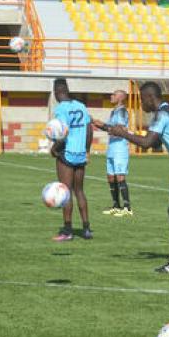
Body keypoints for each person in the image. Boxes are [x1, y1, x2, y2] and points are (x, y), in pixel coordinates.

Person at [109, 82, 169, 273]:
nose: (141, 104)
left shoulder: (161, 114)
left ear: (149, 97)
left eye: (142, 99)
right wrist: (116, 130)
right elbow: (154, 142)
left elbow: (147, 143)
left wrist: (124, 134)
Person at [51, 79, 93, 241]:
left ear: (56, 92)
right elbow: (89, 130)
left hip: (67, 153)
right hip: (80, 153)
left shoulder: (61, 109)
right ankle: (86, 229)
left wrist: (54, 148)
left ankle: (67, 231)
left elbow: (62, 133)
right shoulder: (81, 106)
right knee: (79, 191)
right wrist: (87, 150)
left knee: (65, 192)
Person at [93, 90, 132, 216]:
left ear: (120, 98)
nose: (111, 96)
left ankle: (127, 208)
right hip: (112, 147)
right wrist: (98, 123)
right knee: (110, 176)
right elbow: (111, 128)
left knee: (120, 176)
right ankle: (116, 205)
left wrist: (105, 126)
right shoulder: (114, 111)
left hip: (120, 148)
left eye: (114, 95)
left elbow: (120, 128)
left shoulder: (122, 111)